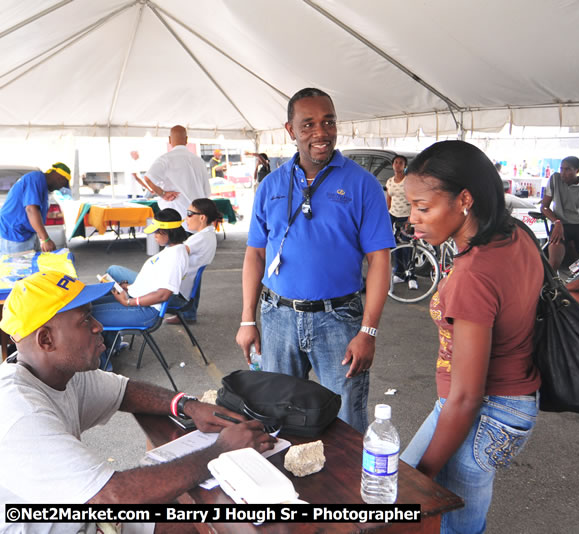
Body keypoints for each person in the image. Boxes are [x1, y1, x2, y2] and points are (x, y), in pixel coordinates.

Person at [0, 270, 274, 533]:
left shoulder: (54, 372)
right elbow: (113, 497)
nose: (99, 327)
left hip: (75, 516)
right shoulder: (17, 414)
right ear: (46, 339)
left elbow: (123, 391)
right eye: (85, 321)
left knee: (183, 522)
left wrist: (187, 405)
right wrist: (220, 452)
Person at [399, 140, 542, 534]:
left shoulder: (473, 276)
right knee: (460, 521)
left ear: (464, 199)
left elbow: (466, 398)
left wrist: (421, 483)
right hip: (511, 405)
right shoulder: (515, 234)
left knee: (428, 516)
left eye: (423, 207)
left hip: (484, 412)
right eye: (411, 206)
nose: (413, 219)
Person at [235, 87, 395, 433]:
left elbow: (380, 260)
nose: (321, 133)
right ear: (290, 130)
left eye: (328, 122)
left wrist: (368, 330)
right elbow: (256, 254)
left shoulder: (363, 184)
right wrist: (248, 320)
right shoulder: (271, 185)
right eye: (307, 125)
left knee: (346, 418)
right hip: (277, 318)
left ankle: (347, 487)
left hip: (338, 319)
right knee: (274, 415)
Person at [93, 209, 190, 362]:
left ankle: (104, 363)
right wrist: (128, 287)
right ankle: (113, 346)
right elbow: (154, 281)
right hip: (137, 299)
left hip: (146, 311)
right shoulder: (171, 250)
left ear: (167, 232)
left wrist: (128, 302)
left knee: (90, 316)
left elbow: (163, 295)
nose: (154, 235)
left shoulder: (176, 256)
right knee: (91, 303)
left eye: (157, 232)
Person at [0, 163, 71, 258]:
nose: (59, 188)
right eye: (62, 185)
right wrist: (45, 239)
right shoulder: (35, 178)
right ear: (60, 179)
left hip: (24, 235)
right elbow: (31, 209)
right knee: (20, 271)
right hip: (13, 236)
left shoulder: (41, 184)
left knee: (32, 270)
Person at [142, 126, 211, 230]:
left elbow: (148, 178)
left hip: (174, 219)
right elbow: (207, 192)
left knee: (176, 246)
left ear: (170, 140)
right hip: (198, 220)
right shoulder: (199, 161)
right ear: (186, 139)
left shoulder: (165, 159)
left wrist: (163, 194)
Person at [165, 198, 221, 325]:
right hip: (184, 289)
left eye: (190, 214)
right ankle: (188, 314)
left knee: (115, 272)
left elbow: (175, 254)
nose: (186, 218)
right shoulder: (207, 235)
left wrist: (167, 238)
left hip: (177, 292)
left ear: (202, 218)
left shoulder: (200, 238)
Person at [385, 155, 416, 289]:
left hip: (407, 217)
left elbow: (414, 201)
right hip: (393, 217)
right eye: (396, 163)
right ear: (392, 165)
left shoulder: (409, 181)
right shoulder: (390, 181)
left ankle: (411, 276)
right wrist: (386, 215)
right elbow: (389, 199)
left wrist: (410, 219)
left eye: (401, 163)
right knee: (396, 246)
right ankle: (399, 273)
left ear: (405, 166)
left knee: (408, 247)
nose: (398, 165)